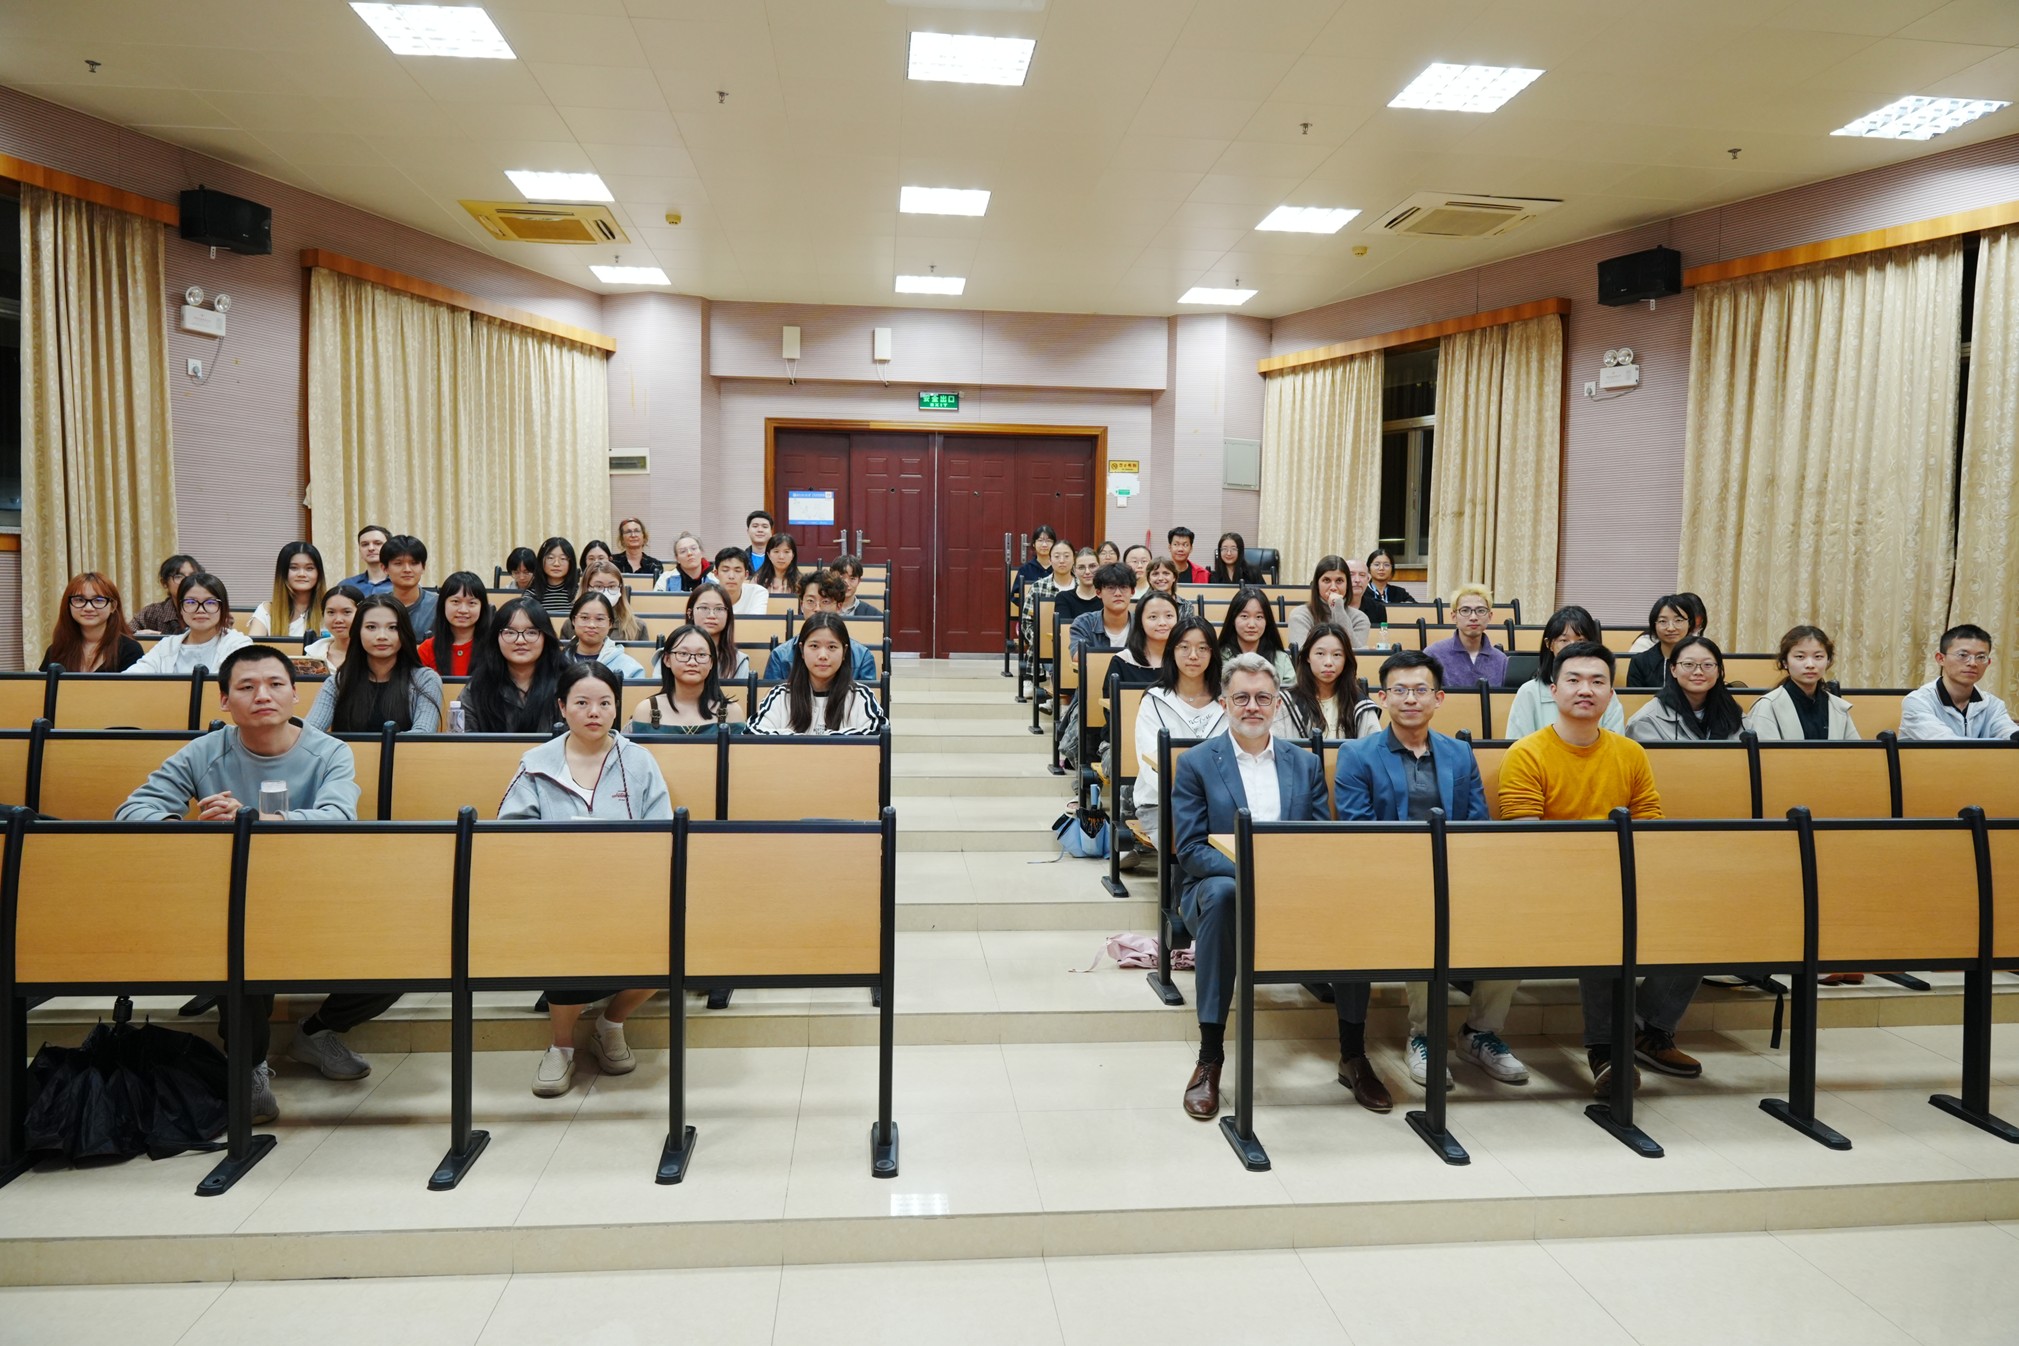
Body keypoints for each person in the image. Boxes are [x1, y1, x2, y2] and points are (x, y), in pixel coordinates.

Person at [117, 644, 374, 1123]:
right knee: (238, 950)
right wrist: (192, 831)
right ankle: (250, 1065)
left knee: (405, 950)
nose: (263, 696)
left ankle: (317, 1032)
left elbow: (340, 816)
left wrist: (256, 819)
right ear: (224, 700)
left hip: (315, 894)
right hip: (230, 898)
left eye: (275, 684)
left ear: (295, 694)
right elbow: (133, 810)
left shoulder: (330, 751)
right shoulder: (206, 751)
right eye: (247, 687)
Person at [1498, 641, 1692, 1095]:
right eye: (1574, 680)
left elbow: (1650, 826)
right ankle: (1606, 1050)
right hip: (1550, 886)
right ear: (1554, 689)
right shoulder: (1527, 753)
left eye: (1597, 681)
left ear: (1610, 693)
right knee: (1606, 918)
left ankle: (1649, 1027)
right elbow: (1526, 841)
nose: (1585, 689)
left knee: (1699, 916)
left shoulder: (1630, 753)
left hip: (1620, 877)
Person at [1334, 650, 1522, 1091]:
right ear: (1382, 698)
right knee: (1426, 914)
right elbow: (1360, 830)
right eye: (1399, 690)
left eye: (1421, 690)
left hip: (1458, 873)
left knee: (1513, 919)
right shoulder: (1356, 754)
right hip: (1390, 880)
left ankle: (1479, 1033)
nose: (1410, 699)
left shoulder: (1459, 753)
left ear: (1439, 698)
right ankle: (1423, 1036)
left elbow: (1476, 825)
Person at [497, 661, 672, 1098]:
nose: (594, 712)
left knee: (672, 944)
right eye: (582, 703)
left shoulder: (639, 761)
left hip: (630, 892)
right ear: (562, 707)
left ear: (616, 707)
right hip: (557, 894)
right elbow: (509, 834)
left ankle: (610, 1024)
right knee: (565, 938)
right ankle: (561, 1046)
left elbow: (664, 830)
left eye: (605, 703)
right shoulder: (536, 763)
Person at [1170, 653, 1331, 1119]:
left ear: (1278, 704)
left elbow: (1320, 840)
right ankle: (1210, 1056)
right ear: (1223, 703)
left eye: (1263, 697)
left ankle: (1355, 1052)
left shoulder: (1305, 764)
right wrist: (1255, 877)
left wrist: (1287, 880)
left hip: (1293, 888)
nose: (1252, 707)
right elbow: (1191, 849)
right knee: (1226, 896)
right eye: (1241, 698)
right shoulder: (1197, 763)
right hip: (1214, 887)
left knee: (1352, 901)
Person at [1132, 615, 1227, 846]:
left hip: (1220, 803)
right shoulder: (1155, 700)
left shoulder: (1227, 700)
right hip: (1161, 802)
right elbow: (1150, 763)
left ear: (1213, 653)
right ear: (1172, 651)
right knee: (1196, 848)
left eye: (1202, 648)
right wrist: (1192, 797)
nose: (1193, 655)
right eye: (1184, 647)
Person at [304, 595, 443, 732]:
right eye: (371, 627)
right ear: (358, 632)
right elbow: (309, 733)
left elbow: (422, 734)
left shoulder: (425, 680)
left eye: (393, 627)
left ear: (405, 632)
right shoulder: (338, 682)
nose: (382, 636)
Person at [750, 613, 888, 735]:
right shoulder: (780, 696)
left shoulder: (860, 697)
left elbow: (877, 731)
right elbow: (754, 732)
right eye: (814, 646)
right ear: (801, 650)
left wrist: (821, 742)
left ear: (844, 652)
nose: (823, 655)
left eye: (832, 647)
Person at [1505, 605, 1628, 738]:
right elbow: (1517, 745)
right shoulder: (1529, 692)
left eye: (1581, 641)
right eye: (1564, 640)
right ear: (1549, 644)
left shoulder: (1604, 693)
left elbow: (1615, 744)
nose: (1573, 647)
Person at [459, 598, 568, 733]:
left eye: (531, 632)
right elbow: (462, 741)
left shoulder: (567, 685)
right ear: (496, 638)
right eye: (510, 632)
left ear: (546, 637)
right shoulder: (478, 686)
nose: (520, 640)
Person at [1900, 624, 2019, 740]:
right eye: (1962, 655)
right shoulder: (1918, 702)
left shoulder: (1993, 705)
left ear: (1988, 663)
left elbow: (2009, 733)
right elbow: (1948, 744)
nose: (1973, 663)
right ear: (1941, 659)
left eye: (1981, 657)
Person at [1743, 626, 1858, 740]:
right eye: (1800, 657)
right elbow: (1765, 751)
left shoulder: (1837, 707)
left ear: (1828, 661)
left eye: (1818, 657)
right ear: (1785, 662)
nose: (1810, 665)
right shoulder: (1768, 706)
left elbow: (1856, 750)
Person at [127, 572, 252, 674]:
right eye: (191, 602)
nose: (200, 610)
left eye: (210, 602)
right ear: (180, 608)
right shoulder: (166, 646)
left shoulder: (239, 645)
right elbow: (131, 680)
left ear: (223, 608)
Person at [631, 625, 748, 734]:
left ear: (712, 662)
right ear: (667, 660)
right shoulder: (646, 710)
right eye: (683, 653)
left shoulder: (731, 712)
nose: (692, 662)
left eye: (701, 655)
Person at [1627, 637, 1747, 742]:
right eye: (1689, 664)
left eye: (1707, 665)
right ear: (1673, 669)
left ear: (1718, 671)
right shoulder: (1646, 721)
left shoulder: (1733, 713)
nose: (1698, 672)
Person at [1275, 622, 1379, 740]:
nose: (1328, 662)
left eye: (1337, 654)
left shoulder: (1361, 705)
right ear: (1308, 657)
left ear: (1346, 659)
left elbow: (1375, 746)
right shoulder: (1286, 703)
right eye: (1320, 653)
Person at [765, 574, 877, 682]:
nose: (817, 609)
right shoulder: (780, 656)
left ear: (839, 606)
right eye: (810, 601)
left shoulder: (862, 657)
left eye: (825, 601)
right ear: (802, 605)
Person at [41, 572, 143, 673]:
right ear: (68, 606)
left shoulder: (130, 650)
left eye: (98, 600)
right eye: (80, 600)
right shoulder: (56, 650)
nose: (88, 608)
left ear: (113, 606)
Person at [1426, 584, 1507, 689]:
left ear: (1490, 616)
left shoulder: (1501, 660)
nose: (1473, 617)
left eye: (1481, 611)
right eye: (1465, 610)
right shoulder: (1433, 654)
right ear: (1454, 617)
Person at [416, 572, 491, 677]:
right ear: (443, 605)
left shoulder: (494, 647)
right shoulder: (427, 649)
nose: (463, 610)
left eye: (472, 603)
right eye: (455, 601)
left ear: (482, 608)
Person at [1286, 556, 1370, 650]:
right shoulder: (1300, 614)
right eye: (1326, 580)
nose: (1333, 587)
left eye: (1339, 581)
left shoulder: (1360, 619)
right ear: (1317, 584)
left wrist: (1338, 609)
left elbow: (1357, 655)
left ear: (1347, 585)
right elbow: (1301, 654)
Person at [563, 592, 649, 681]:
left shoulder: (631, 669)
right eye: (584, 618)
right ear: (573, 620)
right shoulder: (558, 663)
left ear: (610, 623)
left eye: (600, 619)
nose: (592, 625)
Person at [248, 542, 326, 639]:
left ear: (319, 574)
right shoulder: (266, 611)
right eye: (294, 568)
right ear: (283, 573)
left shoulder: (329, 611)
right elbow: (252, 647)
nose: (301, 574)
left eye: (309, 568)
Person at [1217, 586, 1294, 684]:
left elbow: (1290, 692)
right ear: (1233, 619)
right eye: (1244, 616)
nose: (1252, 625)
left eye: (1259, 617)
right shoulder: (1218, 658)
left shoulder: (1281, 659)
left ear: (1267, 621)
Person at [1020, 538, 1078, 655]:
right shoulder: (1038, 587)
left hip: (1077, 650)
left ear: (1074, 559)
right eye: (1057, 556)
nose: (1062, 560)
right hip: (1042, 651)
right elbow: (1026, 622)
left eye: (1067, 556)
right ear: (1050, 560)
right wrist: (1040, 643)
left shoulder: (1082, 587)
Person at [685, 580, 753, 680]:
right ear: (690, 613)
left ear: (728, 615)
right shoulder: (672, 655)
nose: (711, 615)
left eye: (719, 609)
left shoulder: (738, 661)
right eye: (704, 608)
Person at [1068, 563, 1134, 660]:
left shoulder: (1143, 624)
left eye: (1123, 587)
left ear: (1132, 592)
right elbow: (1079, 656)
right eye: (1111, 588)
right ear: (1098, 593)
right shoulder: (1084, 623)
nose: (1118, 593)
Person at [1625, 595, 1695, 686]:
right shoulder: (1640, 662)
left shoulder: (1702, 659)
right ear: (1654, 625)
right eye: (1663, 621)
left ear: (1690, 623)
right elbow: (1634, 695)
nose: (1671, 628)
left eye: (1678, 620)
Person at [573, 559, 648, 642]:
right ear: (586, 587)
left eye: (612, 586)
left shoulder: (637, 626)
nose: (606, 592)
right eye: (598, 586)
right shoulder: (571, 624)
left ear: (620, 589)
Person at [382, 534, 437, 640]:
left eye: (414, 563)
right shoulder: (377, 606)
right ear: (384, 568)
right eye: (398, 563)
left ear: (423, 567)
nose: (407, 569)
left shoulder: (439, 605)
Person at [134, 554, 200, 635]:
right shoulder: (153, 612)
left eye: (193, 576)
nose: (187, 581)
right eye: (179, 576)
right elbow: (125, 634)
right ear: (164, 583)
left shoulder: (208, 610)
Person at [305, 584, 363, 672]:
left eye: (347, 612)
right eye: (331, 612)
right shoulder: (313, 654)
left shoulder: (373, 654)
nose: (338, 620)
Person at [709, 546, 770, 616]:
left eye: (737, 571)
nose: (731, 576)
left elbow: (755, 622)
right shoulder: (706, 594)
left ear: (746, 575)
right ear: (716, 573)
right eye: (725, 570)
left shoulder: (757, 592)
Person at [529, 537, 579, 619]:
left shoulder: (579, 593)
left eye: (563, 558)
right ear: (541, 560)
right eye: (550, 558)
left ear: (571, 562)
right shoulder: (530, 595)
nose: (556, 564)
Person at [1054, 548, 1103, 628]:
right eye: (1081, 567)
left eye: (1092, 566)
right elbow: (1065, 630)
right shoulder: (1064, 598)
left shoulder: (1106, 597)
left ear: (1100, 567)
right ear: (1074, 570)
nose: (1087, 572)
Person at [338, 524, 393, 595]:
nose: (371, 548)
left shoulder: (401, 584)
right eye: (365, 544)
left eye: (378, 543)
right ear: (360, 551)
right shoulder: (346, 585)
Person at [1013, 525, 1057, 597]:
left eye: (1048, 541)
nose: (1044, 544)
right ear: (1033, 544)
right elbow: (1015, 596)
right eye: (1040, 540)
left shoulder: (1059, 568)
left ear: (1054, 544)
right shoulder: (1025, 569)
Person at [1345, 556, 1387, 629]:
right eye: (1351, 575)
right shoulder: (1333, 606)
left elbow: (1381, 634)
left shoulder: (1378, 608)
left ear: (1368, 579)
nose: (1357, 580)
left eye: (1362, 575)